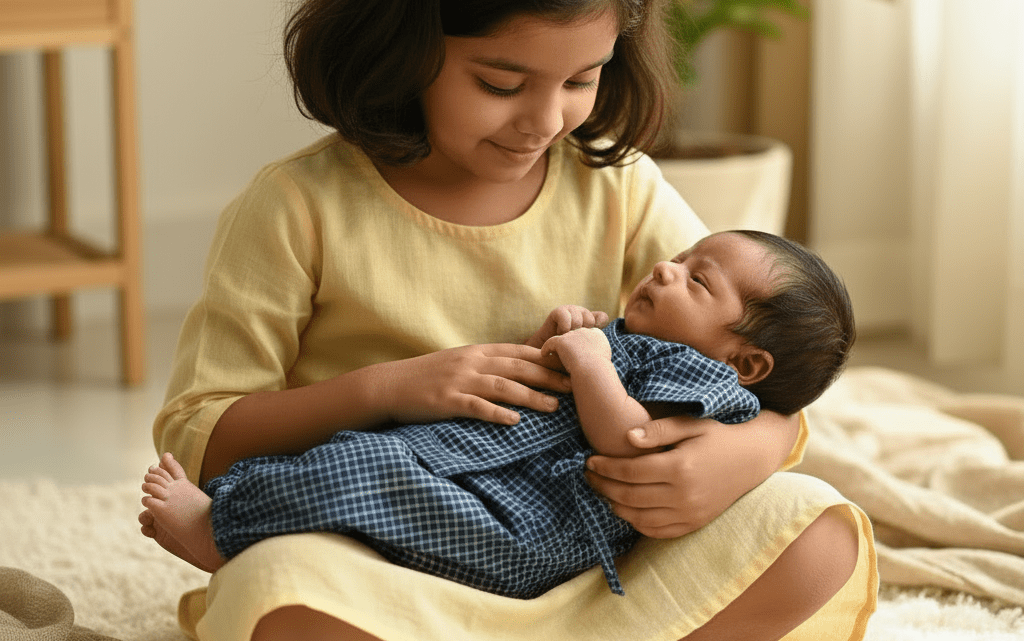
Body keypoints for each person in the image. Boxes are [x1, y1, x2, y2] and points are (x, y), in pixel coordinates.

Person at [142, 0, 880, 641]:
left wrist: (750, 449)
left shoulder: (619, 191)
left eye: (583, 78)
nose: (544, 119)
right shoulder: (295, 209)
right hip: (377, 561)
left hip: (583, 559)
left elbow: (756, 375)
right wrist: (387, 390)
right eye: (501, 80)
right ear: (403, 36)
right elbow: (198, 433)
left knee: (818, 534)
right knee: (275, 605)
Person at [141, 230, 855, 601]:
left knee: (371, 470)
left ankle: (223, 534)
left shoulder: (703, 381)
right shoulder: (642, 339)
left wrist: (593, 363)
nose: (667, 270)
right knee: (359, 460)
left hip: (526, 526)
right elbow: (554, 389)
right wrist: (559, 338)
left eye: (697, 279)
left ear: (746, 364)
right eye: (677, 258)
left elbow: (629, 440)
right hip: (475, 472)